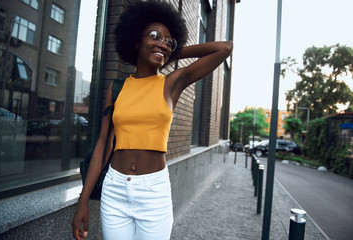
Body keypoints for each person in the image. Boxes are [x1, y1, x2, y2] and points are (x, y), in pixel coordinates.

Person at [72, 1, 233, 239]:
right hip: (115, 189)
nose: (162, 43)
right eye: (155, 36)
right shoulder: (117, 88)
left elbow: (224, 48)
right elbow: (102, 146)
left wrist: (169, 52)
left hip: (153, 192)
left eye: (169, 40)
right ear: (136, 41)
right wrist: (83, 202)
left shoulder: (171, 83)